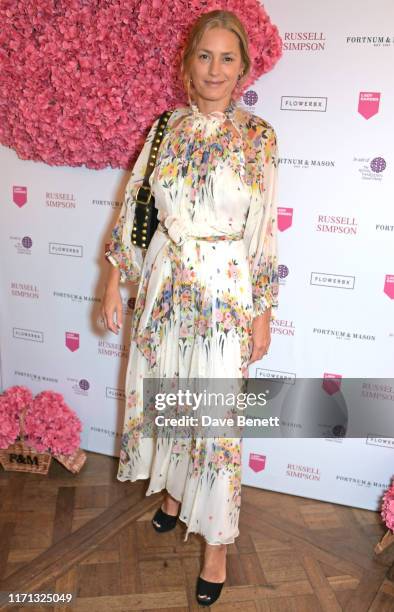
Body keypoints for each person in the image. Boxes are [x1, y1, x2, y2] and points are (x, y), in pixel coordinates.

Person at [102, 9, 279, 606]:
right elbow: (135, 211)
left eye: (228, 58)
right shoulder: (163, 130)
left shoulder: (259, 138)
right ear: (188, 63)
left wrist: (262, 310)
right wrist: (112, 281)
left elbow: (262, 232)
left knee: (216, 420)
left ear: (244, 69)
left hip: (224, 290)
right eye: (205, 55)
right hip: (163, 286)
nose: (215, 69)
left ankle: (217, 546)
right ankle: (175, 496)